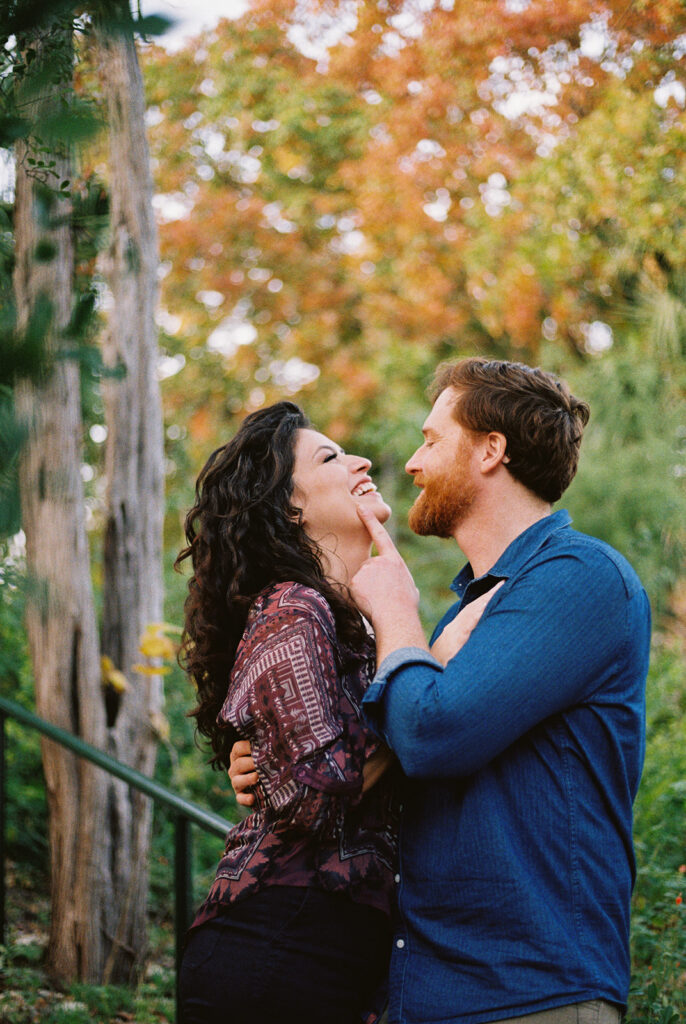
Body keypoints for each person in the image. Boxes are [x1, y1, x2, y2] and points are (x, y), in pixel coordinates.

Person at [231, 359, 651, 1024]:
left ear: (491, 450)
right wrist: (283, 760)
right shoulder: (467, 615)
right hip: (426, 995)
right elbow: (397, 759)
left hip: (532, 993)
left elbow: (433, 737)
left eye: (431, 440)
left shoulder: (579, 576)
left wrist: (395, 608)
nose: (414, 463)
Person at [175, 400, 400, 1024]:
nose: (361, 459)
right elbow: (309, 796)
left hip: (328, 956)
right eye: (330, 456)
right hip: (278, 947)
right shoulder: (292, 606)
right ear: (289, 508)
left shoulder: (352, 622)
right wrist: (432, 681)